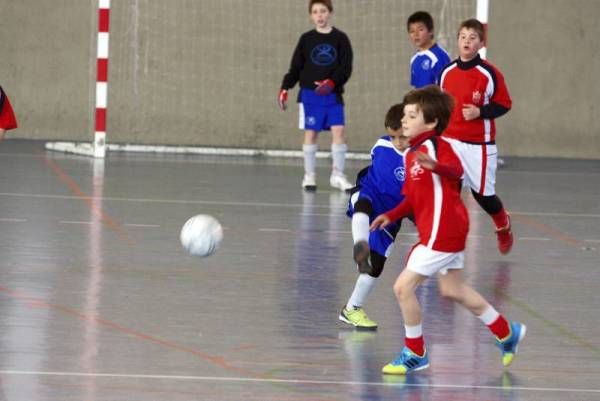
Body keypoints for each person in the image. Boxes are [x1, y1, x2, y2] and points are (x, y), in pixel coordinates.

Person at [370, 85, 525, 375]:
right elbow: (412, 199)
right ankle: (507, 332)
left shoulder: (440, 147)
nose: (405, 120)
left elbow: (457, 172)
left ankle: (415, 352)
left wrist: (436, 166)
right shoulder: (411, 154)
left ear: (430, 123)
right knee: (453, 289)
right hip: (441, 230)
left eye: (412, 115)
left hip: (445, 231)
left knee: (403, 287)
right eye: (404, 115)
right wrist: (390, 215)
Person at [439, 18, 514, 254]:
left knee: (483, 196)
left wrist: (480, 112)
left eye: (472, 37)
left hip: (479, 146)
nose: (466, 42)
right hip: (450, 142)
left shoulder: (489, 74)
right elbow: (440, 106)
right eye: (463, 37)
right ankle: (448, 239)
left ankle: (502, 224)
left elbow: (504, 104)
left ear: (481, 43)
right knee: (448, 191)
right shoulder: (446, 72)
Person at [339, 104, 410, 330]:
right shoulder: (381, 145)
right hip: (369, 193)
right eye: (393, 136)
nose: (398, 141)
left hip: (392, 215)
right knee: (363, 204)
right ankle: (360, 245)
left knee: (376, 267)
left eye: (403, 137)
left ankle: (352, 309)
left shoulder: (420, 156)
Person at [278, 0, 354, 192]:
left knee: (339, 131)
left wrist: (332, 83)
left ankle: (337, 175)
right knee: (311, 134)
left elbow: (346, 67)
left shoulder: (341, 38)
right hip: (310, 96)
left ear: (330, 13)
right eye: (315, 12)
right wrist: (286, 87)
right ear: (311, 15)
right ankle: (309, 175)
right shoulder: (306, 39)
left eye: (323, 11)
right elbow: (295, 67)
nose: (319, 15)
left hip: (333, 95)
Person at [406, 11, 450, 88]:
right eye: (412, 31)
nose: (416, 34)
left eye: (420, 30)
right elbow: (416, 87)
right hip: (420, 100)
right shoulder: (414, 59)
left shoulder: (440, 56)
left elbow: (448, 85)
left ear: (431, 31)